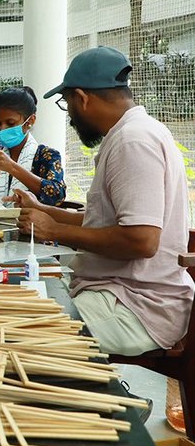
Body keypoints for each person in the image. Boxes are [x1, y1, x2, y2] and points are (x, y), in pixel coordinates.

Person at [14, 46, 194, 358]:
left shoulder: (133, 141)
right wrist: (43, 211)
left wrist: (53, 231)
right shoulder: (130, 133)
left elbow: (141, 241)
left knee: (17, 335)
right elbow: (101, 221)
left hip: (136, 308)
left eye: (66, 104)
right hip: (120, 295)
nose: (69, 114)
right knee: (17, 306)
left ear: (82, 98)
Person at [0, 86, 67, 206]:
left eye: (10, 123)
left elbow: (57, 195)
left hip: (29, 224)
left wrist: (12, 167)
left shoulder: (46, 156)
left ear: (30, 122)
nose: (2, 129)